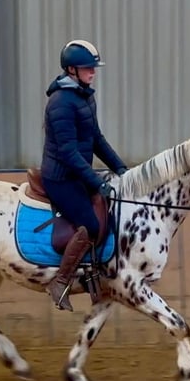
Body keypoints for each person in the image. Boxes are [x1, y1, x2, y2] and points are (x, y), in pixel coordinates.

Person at [40, 39, 128, 312]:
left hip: (78, 173)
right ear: (71, 70)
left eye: (93, 67)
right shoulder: (60, 103)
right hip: (60, 178)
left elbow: (97, 139)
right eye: (87, 68)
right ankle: (60, 281)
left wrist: (122, 170)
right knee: (90, 224)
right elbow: (68, 153)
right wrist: (96, 181)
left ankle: (92, 273)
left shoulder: (84, 96)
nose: (93, 72)